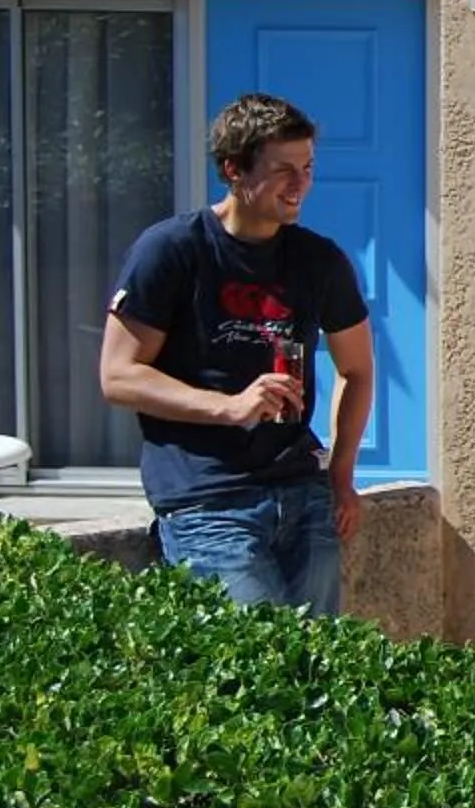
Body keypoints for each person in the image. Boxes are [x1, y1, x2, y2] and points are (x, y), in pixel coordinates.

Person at [99, 93, 374, 614]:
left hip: (301, 495)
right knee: (257, 674)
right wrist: (228, 407)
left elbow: (356, 370)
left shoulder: (319, 260)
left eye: (308, 167)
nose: (300, 185)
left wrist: (340, 476)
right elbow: (118, 376)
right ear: (233, 168)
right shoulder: (172, 250)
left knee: (318, 674)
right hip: (207, 502)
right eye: (283, 170)